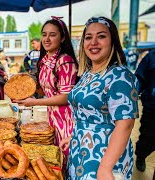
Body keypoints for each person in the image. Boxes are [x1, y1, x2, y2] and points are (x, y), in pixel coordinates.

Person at [60, 17, 139, 179]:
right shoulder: (88, 73)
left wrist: (105, 167)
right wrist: (76, 135)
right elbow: (89, 114)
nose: (93, 42)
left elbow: (125, 124)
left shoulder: (120, 76)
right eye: (88, 37)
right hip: (80, 151)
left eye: (101, 36)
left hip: (104, 157)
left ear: (113, 41)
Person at [14, 17, 78, 159]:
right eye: (44, 34)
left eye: (52, 35)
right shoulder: (45, 60)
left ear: (62, 38)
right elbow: (46, 90)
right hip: (52, 117)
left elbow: (66, 96)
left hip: (66, 118)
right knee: (53, 157)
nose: (47, 39)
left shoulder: (65, 61)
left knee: (64, 157)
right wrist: (26, 87)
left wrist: (34, 102)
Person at [134, 49, 155, 172]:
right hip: (152, 107)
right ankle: (141, 156)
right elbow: (139, 80)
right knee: (148, 136)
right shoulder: (151, 57)